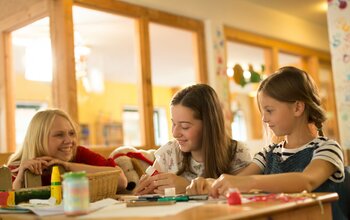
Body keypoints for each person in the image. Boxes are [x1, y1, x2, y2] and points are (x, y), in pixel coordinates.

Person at [186, 66, 348, 219]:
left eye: (269, 111)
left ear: (298, 108)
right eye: (262, 112)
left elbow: (306, 181)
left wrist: (249, 182)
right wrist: (211, 183)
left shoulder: (328, 148)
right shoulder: (268, 153)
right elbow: (237, 180)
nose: (264, 119)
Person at [134, 84, 251, 195]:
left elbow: (242, 198)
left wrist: (186, 186)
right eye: (173, 123)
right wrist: (146, 191)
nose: (175, 133)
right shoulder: (169, 153)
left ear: (208, 125)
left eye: (185, 126)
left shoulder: (237, 152)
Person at [7, 109, 127, 190]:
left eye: (71, 133)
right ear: (38, 138)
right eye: (59, 135)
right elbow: (8, 208)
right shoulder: (16, 168)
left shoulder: (79, 154)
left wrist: (68, 167)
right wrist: (20, 178)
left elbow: (122, 181)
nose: (69, 140)